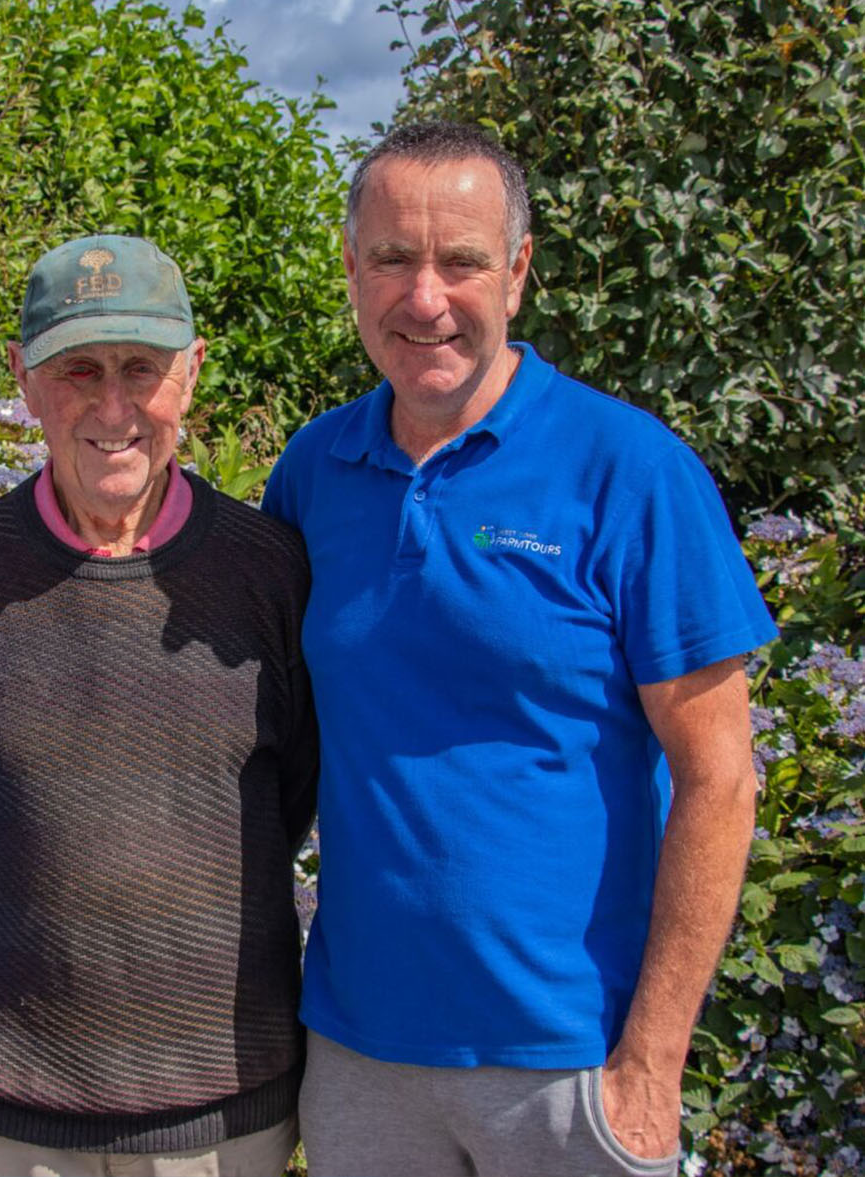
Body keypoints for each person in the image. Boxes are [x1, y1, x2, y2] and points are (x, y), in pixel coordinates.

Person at [261, 121, 778, 1177]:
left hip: (573, 1064)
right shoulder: (317, 469)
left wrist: (653, 1061)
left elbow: (720, 779)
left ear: (520, 271)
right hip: (361, 1052)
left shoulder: (627, 469)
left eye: (462, 262)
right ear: (353, 270)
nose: (426, 299)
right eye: (395, 260)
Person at [0, 234, 318, 1177]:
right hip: (5, 1116)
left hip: (223, 1114)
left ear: (193, 373)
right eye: (77, 369)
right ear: (21, 378)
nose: (113, 406)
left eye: (143, 368)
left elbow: (286, 800)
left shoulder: (271, 574)